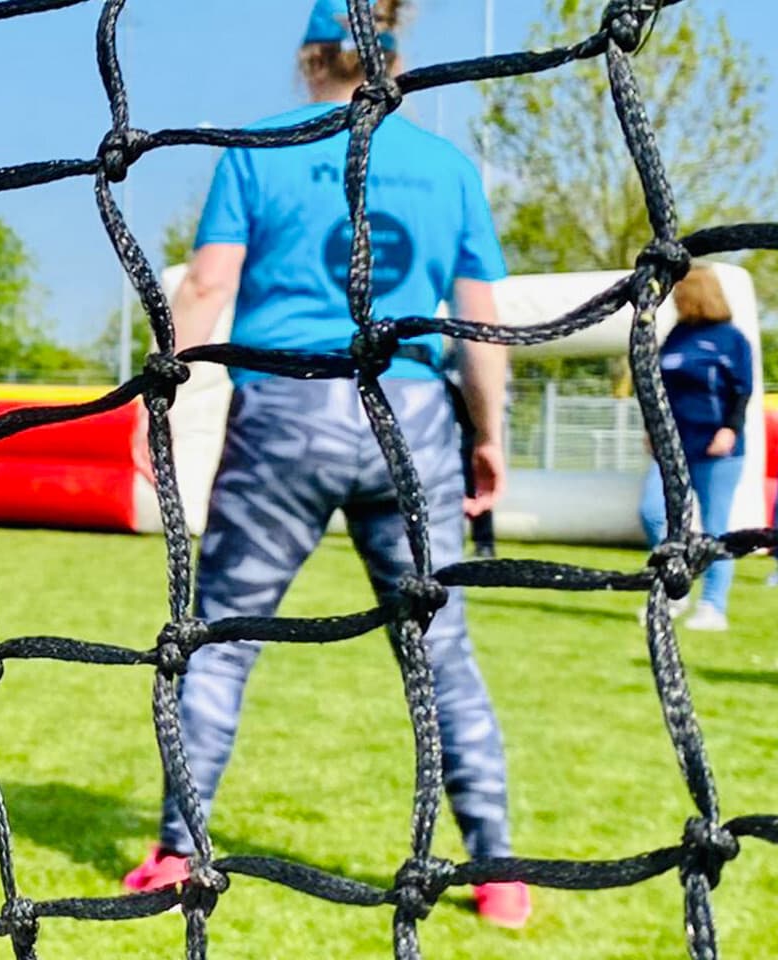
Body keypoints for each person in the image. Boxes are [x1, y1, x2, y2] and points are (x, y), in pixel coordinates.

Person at [123, 0, 531, 929]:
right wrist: (487, 436)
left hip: (286, 409)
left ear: (311, 59)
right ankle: (499, 873)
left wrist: (158, 401)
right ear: (396, 59)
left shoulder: (257, 148)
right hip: (413, 417)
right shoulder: (448, 167)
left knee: (219, 640)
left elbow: (208, 285)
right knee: (442, 653)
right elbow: (482, 322)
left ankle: (179, 854)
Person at [638, 265, 752, 632]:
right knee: (653, 512)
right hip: (673, 446)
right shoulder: (677, 336)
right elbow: (657, 386)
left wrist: (730, 429)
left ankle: (713, 607)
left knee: (715, 528)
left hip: (717, 449)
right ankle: (676, 588)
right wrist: (651, 429)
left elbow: (742, 390)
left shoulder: (730, 339)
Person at [444, 341, 498, 558]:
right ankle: (472, 541)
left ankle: (483, 542)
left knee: (476, 479)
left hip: (473, 426)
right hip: (457, 422)